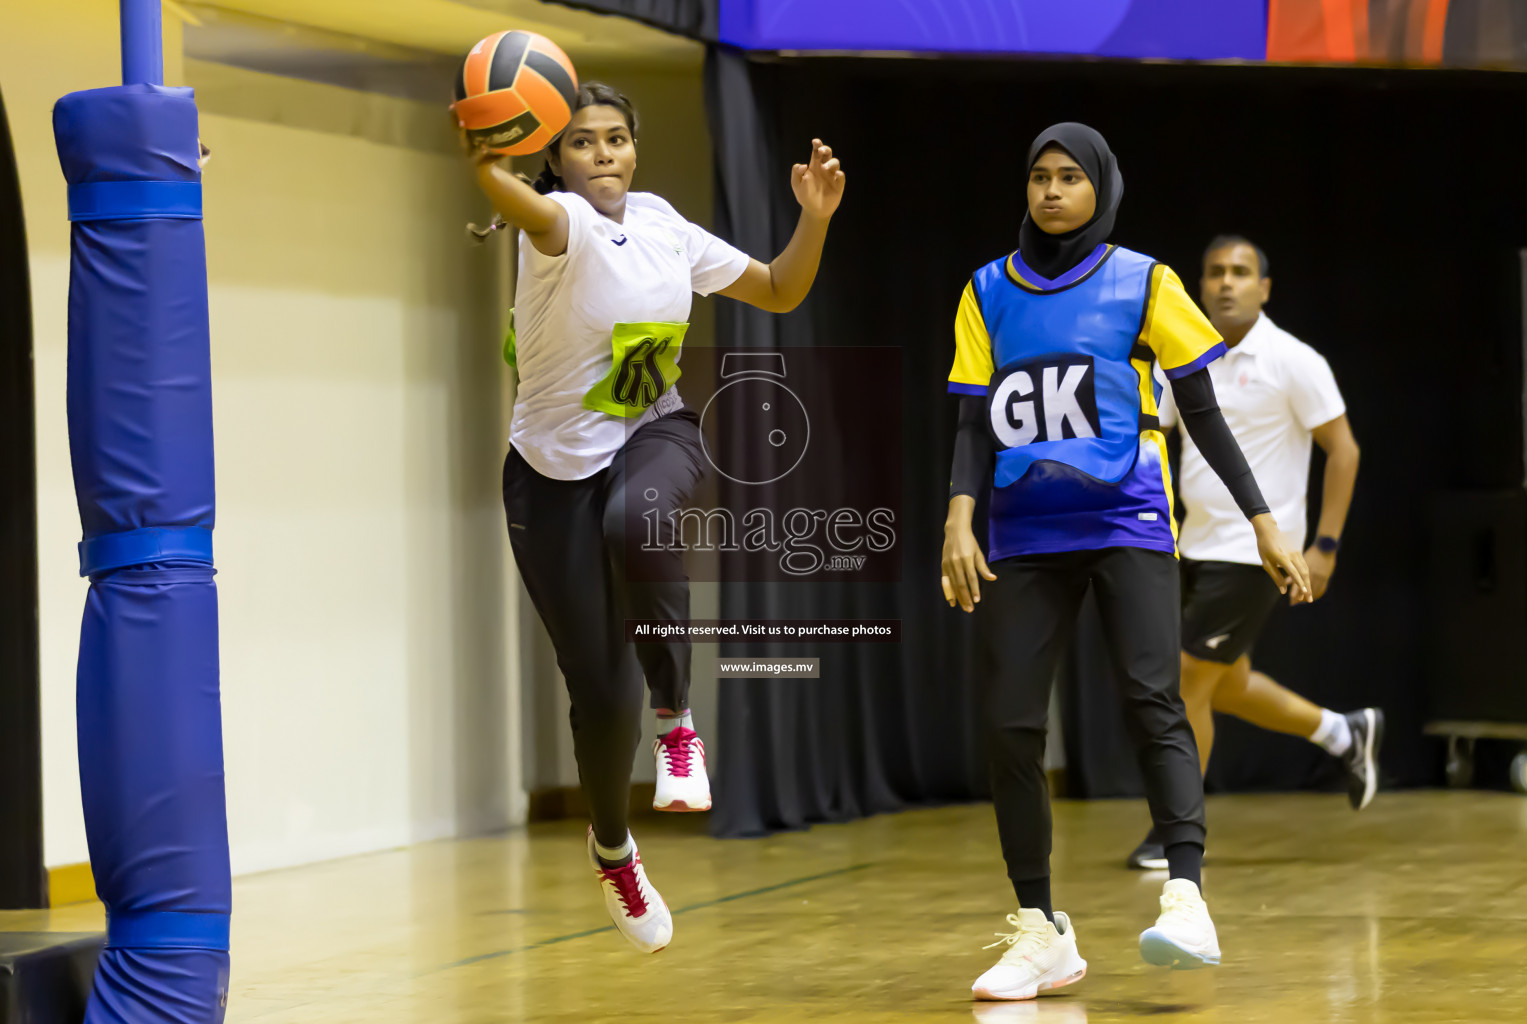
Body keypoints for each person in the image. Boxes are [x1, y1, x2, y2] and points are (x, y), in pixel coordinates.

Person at [468, 82, 845, 953]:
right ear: (556, 160)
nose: (603, 155)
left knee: (635, 524)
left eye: (616, 139)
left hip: (654, 430)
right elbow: (515, 199)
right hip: (547, 474)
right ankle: (613, 849)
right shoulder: (558, 223)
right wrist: (487, 155)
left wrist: (815, 216)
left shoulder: (664, 222)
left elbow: (782, 289)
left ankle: (677, 727)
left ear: (634, 148)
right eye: (583, 143)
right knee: (599, 696)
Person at [940, 123, 1312, 1000]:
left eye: (1070, 176)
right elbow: (967, 421)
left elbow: (1205, 414)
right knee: (1007, 724)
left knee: (1154, 697)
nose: (1052, 190)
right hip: (1023, 535)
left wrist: (1262, 520)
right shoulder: (986, 288)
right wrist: (959, 518)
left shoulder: (1144, 280)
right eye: (1039, 176)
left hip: (1127, 519)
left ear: (1099, 187)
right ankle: (1039, 930)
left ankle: (1184, 894)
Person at [1125, 236, 1377, 871]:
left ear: (1265, 288)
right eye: (1214, 273)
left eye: (1240, 273)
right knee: (1227, 684)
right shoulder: (1183, 358)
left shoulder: (1294, 360)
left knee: (1185, 687)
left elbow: (1343, 451)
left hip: (1254, 553)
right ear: (1199, 285)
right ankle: (1343, 733)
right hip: (1188, 548)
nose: (1226, 283)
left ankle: (1175, 831)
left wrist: (1324, 546)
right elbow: (1155, 433)